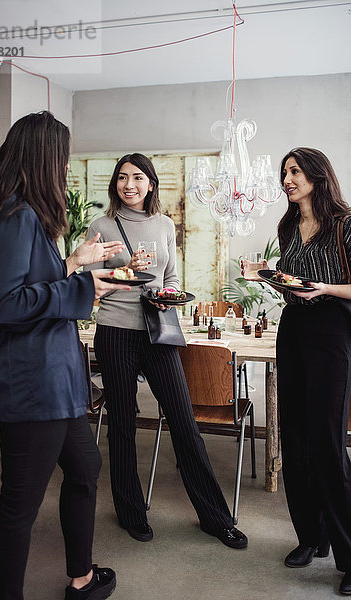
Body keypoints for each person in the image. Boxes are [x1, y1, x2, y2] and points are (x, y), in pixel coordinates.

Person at [0, 111, 130, 600]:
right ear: (43, 158)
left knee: (84, 472)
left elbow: (33, 282)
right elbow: (5, 304)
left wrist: (75, 267)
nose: (64, 169)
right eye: (61, 158)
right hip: (33, 384)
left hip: (56, 383)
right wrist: (81, 287)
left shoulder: (27, 217)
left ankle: (81, 579)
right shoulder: (16, 218)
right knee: (19, 505)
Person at [84, 153, 248, 549]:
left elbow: (171, 278)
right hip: (115, 331)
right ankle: (131, 513)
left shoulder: (163, 224)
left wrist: (165, 296)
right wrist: (124, 272)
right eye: (122, 178)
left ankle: (216, 518)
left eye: (138, 178)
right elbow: (88, 278)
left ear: (151, 184)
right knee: (122, 421)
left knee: (183, 419)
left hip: (158, 332)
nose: (129, 185)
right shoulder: (102, 226)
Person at [243, 147, 351, 595]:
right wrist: (267, 273)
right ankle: (311, 537)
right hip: (294, 330)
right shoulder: (288, 226)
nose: (287, 178)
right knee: (296, 440)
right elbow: (291, 282)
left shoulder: (346, 223)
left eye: (294, 170)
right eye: (283, 172)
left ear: (317, 175)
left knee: (327, 444)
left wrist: (323, 287)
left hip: (332, 330)